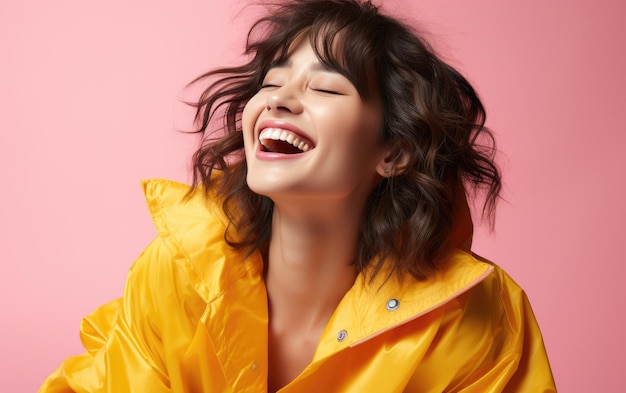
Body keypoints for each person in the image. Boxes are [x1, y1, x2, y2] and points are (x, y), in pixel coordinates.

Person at [39, 0, 556, 391]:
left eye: (326, 89)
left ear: (394, 152)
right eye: (271, 82)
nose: (280, 99)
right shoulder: (175, 274)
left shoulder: (479, 317)